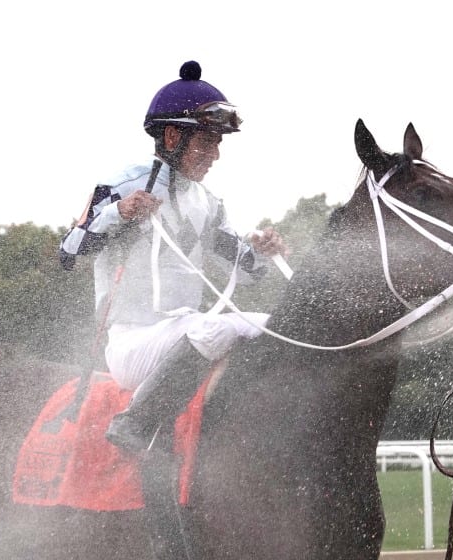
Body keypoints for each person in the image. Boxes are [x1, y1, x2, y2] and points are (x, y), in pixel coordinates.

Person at [59, 60, 287, 451]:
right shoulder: (124, 183)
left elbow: (246, 272)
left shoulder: (208, 204)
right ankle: (133, 422)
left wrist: (262, 253)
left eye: (218, 143)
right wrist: (119, 213)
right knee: (212, 328)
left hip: (185, 333)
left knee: (272, 324)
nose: (215, 154)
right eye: (206, 141)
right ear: (170, 137)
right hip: (133, 344)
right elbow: (68, 252)